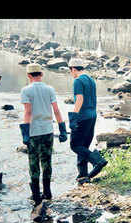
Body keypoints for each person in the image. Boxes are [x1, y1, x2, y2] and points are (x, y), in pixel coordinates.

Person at [19, 63, 68, 210]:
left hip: (34, 132)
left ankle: (36, 196)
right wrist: (62, 129)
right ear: (41, 74)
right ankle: (47, 192)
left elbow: (28, 112)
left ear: (28, 75)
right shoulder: (50, 89)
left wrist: (25, 133)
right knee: (47, 161)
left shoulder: (26, 90)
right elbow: (56, 110)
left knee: (34, 163)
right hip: (48, 131)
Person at [68, 58, 107, 185]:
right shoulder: (91, 80)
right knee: (83, 146)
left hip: (83, 116)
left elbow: (79, 99)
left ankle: (97, 161)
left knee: (75, 145)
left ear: (73, 69)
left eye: (71, 71)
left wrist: (74, 116)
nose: (71, 74)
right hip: (92, 115)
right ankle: (82, 175)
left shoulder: (78, 81)